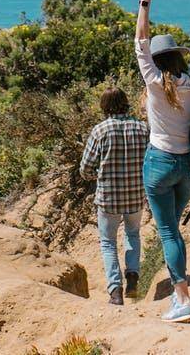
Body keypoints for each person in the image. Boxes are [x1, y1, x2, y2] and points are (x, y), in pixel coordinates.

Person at [134, 0, 190, 324]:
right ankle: (177, 298)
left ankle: (183, 299)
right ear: (179, 59)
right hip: (189, 168)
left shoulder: (152, 81)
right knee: (172, 231)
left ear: (157, 60)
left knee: (167, 231)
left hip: (160, 164)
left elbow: (140, 42)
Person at [79, 86, 149, 306]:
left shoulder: (100, 130)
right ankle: (133, 278)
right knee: (133, 234)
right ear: (125, 102)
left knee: (108, 242)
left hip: (108, 197)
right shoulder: (142, 128)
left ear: (104, 106)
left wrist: (97, 175)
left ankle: (115, 291)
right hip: (136, 195)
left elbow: (85, 168)